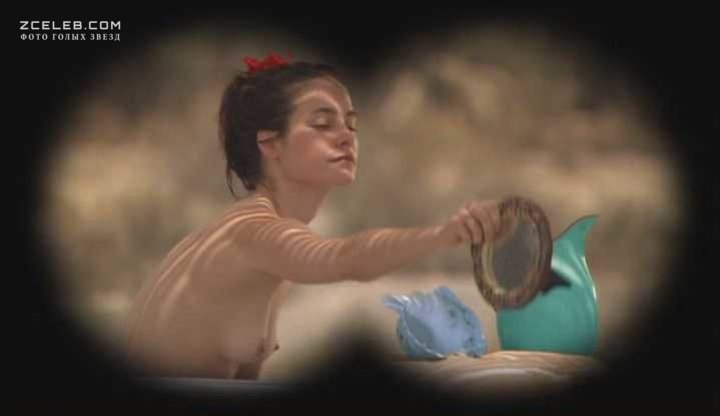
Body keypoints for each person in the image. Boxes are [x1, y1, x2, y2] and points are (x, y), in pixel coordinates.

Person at [124, 53, 503, 380]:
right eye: (322, 123)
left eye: (351, 123)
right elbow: (345, 258)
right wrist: (443, 235)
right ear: (270, 143)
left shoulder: (243, 235)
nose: (346, 136)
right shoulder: (253, 233)